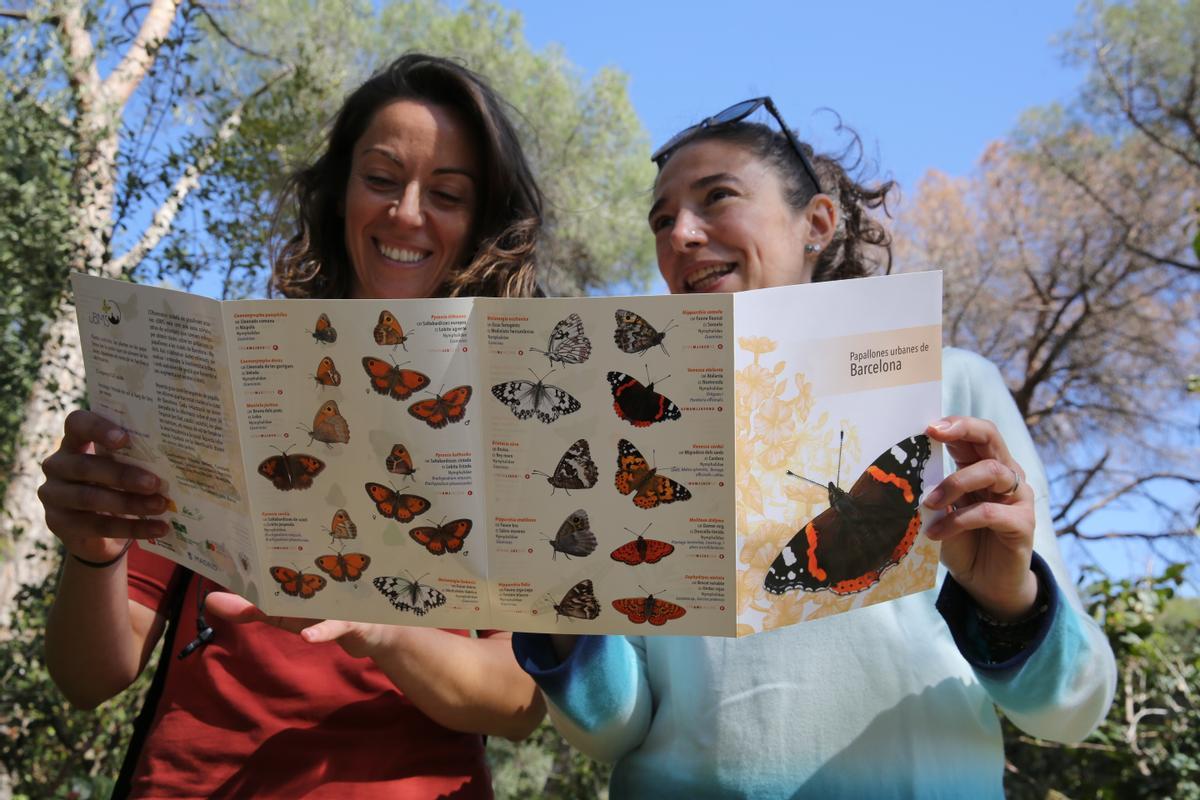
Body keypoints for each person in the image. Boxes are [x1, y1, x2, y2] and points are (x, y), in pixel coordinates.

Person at [512, 98, 1117, 798]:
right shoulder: (635, 437)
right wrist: (556, 595)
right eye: (660, 220)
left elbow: (1075, 707)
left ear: (817, 224)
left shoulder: (950, 388)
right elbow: (611, 731)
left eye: (717, 198)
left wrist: (1011, 602)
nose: (680, 232)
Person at [39, 53, 546, 798]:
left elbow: (517, 702)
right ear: (339, 194)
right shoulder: (223, 378)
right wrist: (93, 554)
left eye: (447, 193)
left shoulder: (512, 416)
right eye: (380, 179)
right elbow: (89, 677)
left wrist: (370, 619)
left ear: (483, 223)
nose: (407, 213)